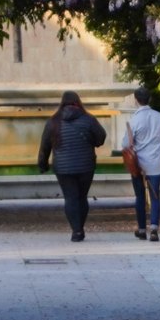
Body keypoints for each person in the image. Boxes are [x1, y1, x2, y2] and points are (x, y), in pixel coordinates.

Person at [37, 89, 108, 241]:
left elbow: (44, 147)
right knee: (82, 197)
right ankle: (79, 227)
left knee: (70, 198)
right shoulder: (88, 119)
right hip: (86, 166)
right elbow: (101, 138)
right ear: (78, 102)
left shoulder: (53, 121)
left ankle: (76, 230)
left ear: (62, 103)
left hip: (63, 168)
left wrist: (42, 165)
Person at [120, 87, 160, 240]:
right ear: (150, 99)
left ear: (136, 100)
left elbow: (125, 144)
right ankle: (154, 228)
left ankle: (142, 229)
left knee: (140, 196)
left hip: (138, 165)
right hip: (155, 163)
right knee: (155, 196)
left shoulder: (134, 120)